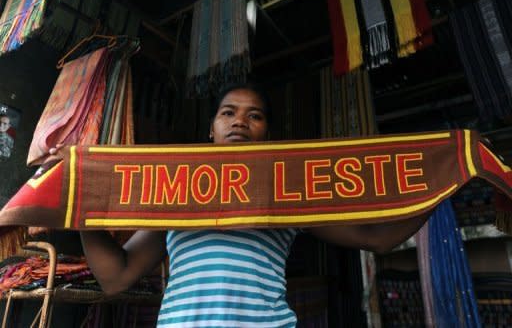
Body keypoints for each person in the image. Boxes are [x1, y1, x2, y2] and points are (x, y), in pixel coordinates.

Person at [75, 84, 431, 327]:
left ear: (267, 134)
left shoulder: (288, 189)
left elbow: (377, 239)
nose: (240, 121)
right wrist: (74, 206)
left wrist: (444, 182)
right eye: (228, 113)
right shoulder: (176, 190)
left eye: (255, 116)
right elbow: (115, 277)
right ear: (211, 130)